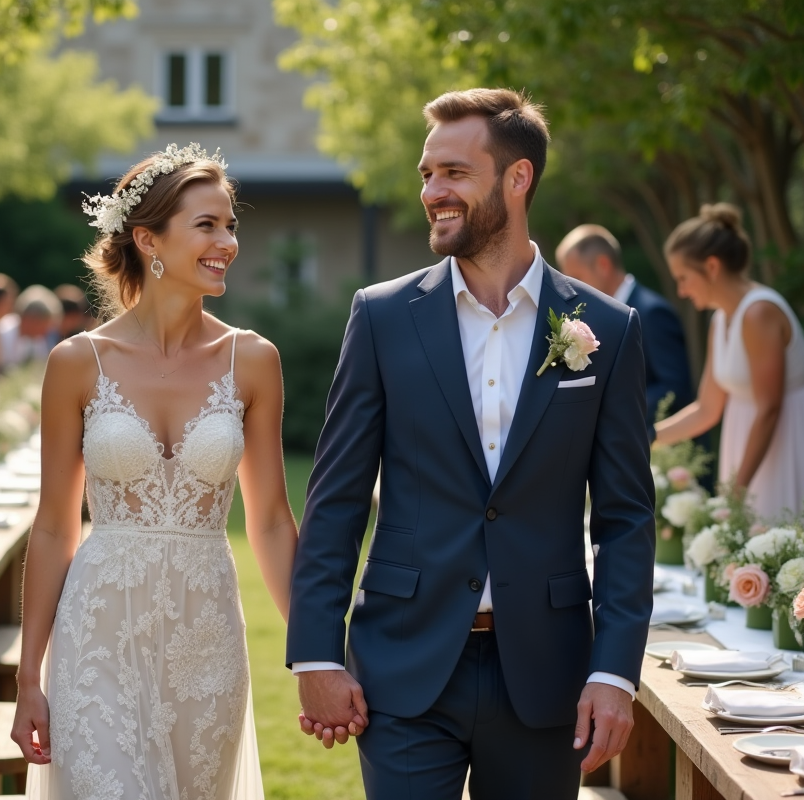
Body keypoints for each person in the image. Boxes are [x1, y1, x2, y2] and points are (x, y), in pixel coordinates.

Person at [286, 89, 655, 799]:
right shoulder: (383, 316)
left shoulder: (609, 330)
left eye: (453, 172)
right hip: (404, 663)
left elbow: (625, 518)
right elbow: (334, 501)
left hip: (546, 674)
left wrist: (613, 673)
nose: (432, 192)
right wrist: (314, 655)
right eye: (426, 174)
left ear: (517, 178)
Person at [11, 144, 297, 800]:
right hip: (99, 636)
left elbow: (273, 523)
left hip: (207, 641)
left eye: (230, 225)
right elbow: (55, 528)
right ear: (148, 239)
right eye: (207, 225)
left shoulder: (252, 360)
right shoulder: (77, 362)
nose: (226, 241)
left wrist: (314, 652)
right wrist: (30, 677)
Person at [653, 204, 804, 521]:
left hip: (784, 440)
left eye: (683, 278)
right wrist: (646, 437)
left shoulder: (758, 312)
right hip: (745, 443)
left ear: (711, 267)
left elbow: (769, 408)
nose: (681, 291)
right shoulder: (720, 320)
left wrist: (737, 489)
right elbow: (707, 409)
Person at [556, 224, 694, 422]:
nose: (573, 289)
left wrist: (610, 411)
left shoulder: (651, 313)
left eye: (577, 278)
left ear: (603, 265)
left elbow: (675, 389)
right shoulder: (592, 318)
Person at [0, 285, 62, 368]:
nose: (45, 332)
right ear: (31, 320)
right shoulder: (1, 331)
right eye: (44, 326)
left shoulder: (38, 341)